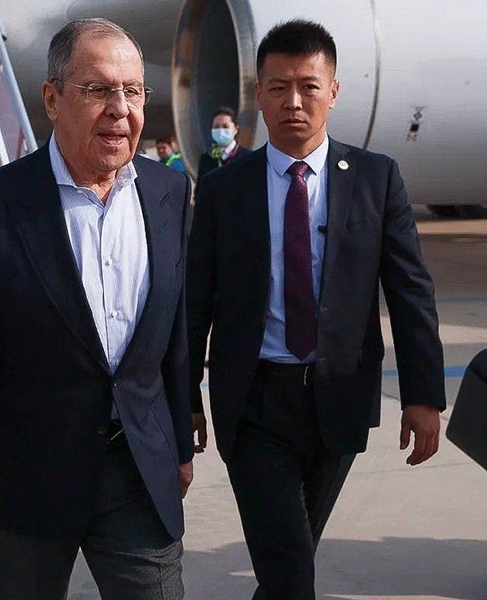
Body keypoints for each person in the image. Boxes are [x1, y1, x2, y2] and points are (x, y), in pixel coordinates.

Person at [0, 18, 197, 600]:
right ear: (51, 99)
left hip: (137, 472)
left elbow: (174, 334)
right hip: (27, 482)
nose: (121, 109)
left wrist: (176, 435)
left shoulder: (169, 195)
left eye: (133, 90)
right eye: (98, 89)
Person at [185, 19, 445, 599]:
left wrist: (423, 395)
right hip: (253, 401)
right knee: (287, 563)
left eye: (308, 85)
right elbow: (195, 300)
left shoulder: (377, 179)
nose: (293, 102)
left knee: (291, 559)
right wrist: (185, 400)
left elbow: (410, 292)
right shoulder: (227, 187)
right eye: (278, 87)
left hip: (338, 399)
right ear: (258, 96)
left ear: (334, 90)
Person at [196, 106, 251, 182]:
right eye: (216, 127)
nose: (221, 130)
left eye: (225, 126)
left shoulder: (247, 157)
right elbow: (200, 191)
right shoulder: (206, 159)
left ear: (235, 129)